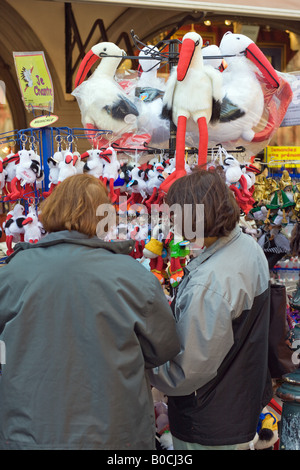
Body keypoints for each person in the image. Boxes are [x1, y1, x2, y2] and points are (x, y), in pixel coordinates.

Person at [0, 173, 180, 450]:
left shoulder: (12, 274)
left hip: (29, 433)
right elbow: (163, 349)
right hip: (114, 433)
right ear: (102, 216)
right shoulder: (133, 276)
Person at [149, 168, 272, 450]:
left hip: (209, 421)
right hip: (239, 403)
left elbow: (185, 371)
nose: (170, 219)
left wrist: (142, 362)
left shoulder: (210, 284)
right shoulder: (247, 246)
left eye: (174, 212)